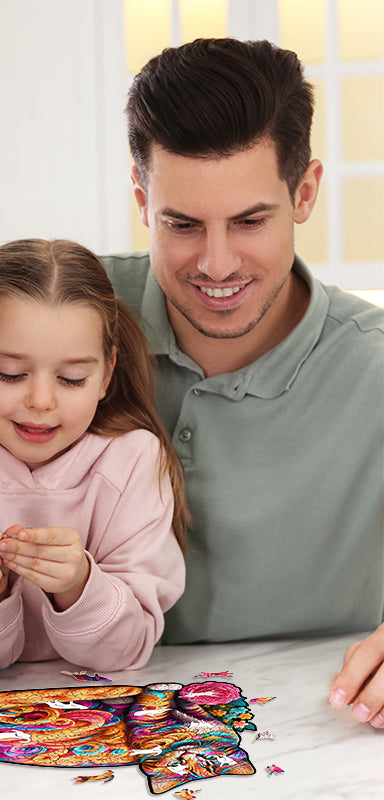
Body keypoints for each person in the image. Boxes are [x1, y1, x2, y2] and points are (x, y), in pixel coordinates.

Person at [99, 38, 384, 727]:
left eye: (251, 221)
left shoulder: (375, 368)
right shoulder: (60, 314)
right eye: (183, 224)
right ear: (142, 200)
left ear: (305, 192)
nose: (217, 263)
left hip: (313, 733)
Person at [0, 238, 188, 678]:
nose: (41, 401)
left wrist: (79, 585)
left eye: (72, 378)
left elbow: (125, 651)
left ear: (106, 374)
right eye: (11, 374)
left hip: (95, 711)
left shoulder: (133, 461)